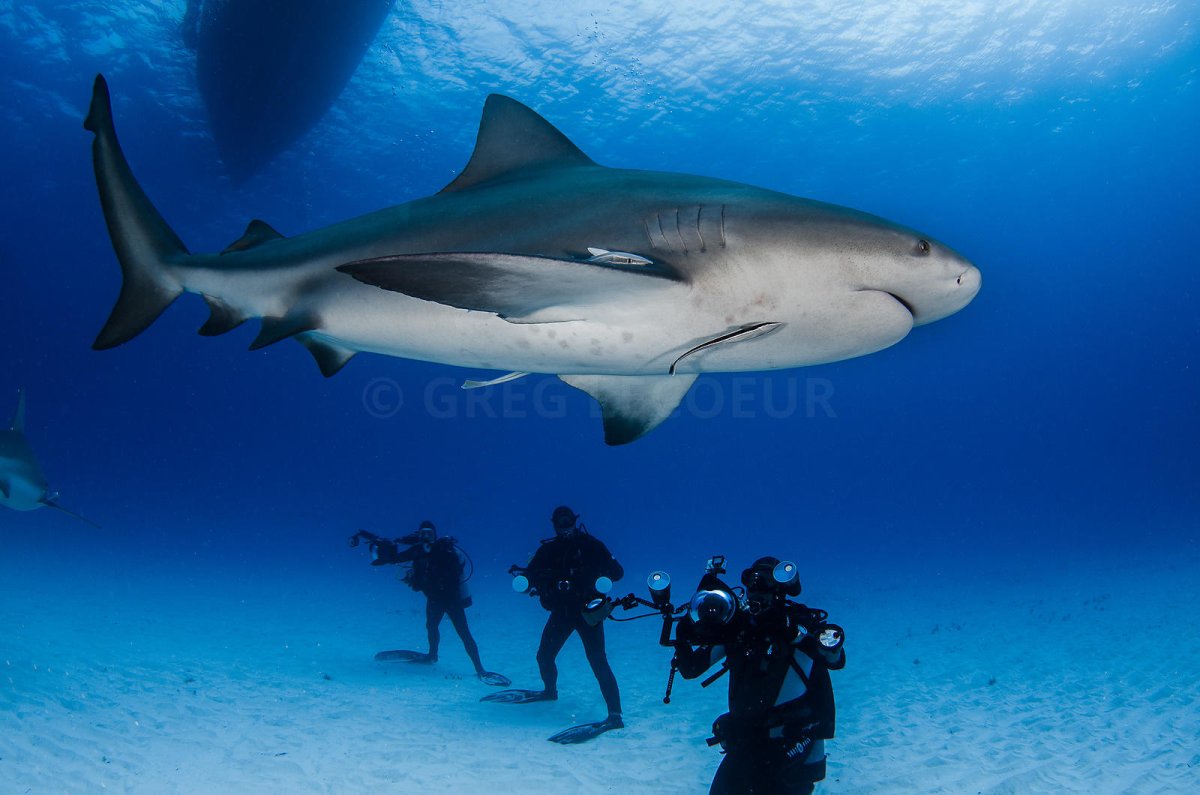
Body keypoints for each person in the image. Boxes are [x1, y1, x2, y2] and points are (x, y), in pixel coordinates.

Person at [674, 557, 846, 794]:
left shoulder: (797, 624)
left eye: (765, 585)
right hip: (746, 738)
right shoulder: (740, 628)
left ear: (781, 590)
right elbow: (691, 668)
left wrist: (795, 633)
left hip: (792, 739)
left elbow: (834, 658)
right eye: (752, 585)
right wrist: (683, 634)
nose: (757, 593)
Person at [482, 505, 625, 744]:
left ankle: (615, 715)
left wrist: (601, 575)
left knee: (598, 660)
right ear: (555, 525)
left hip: (587, 612)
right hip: (562, 612)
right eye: (561, 522)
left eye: (568, 521)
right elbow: (530, 574)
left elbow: (617, 572)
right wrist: (526, 581)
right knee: (544, 656)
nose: (565, 526)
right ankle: (550, 692)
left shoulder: (591, 545)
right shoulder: (548, 550)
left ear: (574, 521)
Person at [351, 520, 508, 686]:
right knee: (431, 627)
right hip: (434, 599)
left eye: (429, 534)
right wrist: (382, 553)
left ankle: (480, 670)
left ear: (435, 535)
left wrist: (428, 578)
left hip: (451, 600)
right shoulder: (418, 550)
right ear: (418, 535)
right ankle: (432, 655)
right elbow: (397, 558)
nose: (426, 537)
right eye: (423, 534)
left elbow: (452, 575)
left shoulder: (445, 550)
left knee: (464, 633)